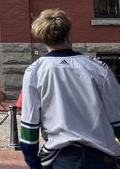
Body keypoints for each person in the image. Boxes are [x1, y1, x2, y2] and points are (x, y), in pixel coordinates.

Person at [20, 9, 120, 169]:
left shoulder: (35, 71)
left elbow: (29, 126)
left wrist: (33, 163)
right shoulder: (98, 68)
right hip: (102, 156)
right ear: (69, 35)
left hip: (60, 158)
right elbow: (117, 119)